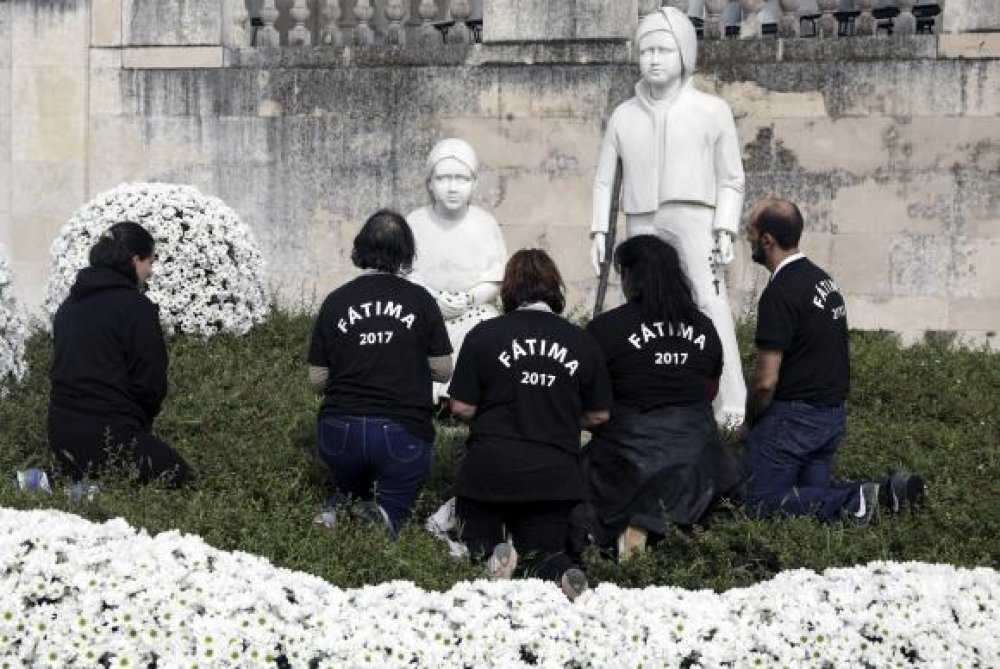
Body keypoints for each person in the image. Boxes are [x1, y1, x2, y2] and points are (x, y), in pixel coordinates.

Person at [589, 6, 747, 427]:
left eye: (663, 49)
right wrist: (599, 229)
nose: (654, 59)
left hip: (694, 216)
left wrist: (725, 226)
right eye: (646, 50)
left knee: (708, 301)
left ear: (684, 54)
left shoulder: (711, 110)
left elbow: (731, 177)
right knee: (637, 309)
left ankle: (732, 401)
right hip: (641, 219)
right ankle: (637, 390)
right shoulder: (624, 114)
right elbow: (605, 180)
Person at [742, 198, 923, 523]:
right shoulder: (823, 280)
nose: (747, 240)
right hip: (830, 417)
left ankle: (860, 497)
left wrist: (750, 420)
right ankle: (882, 494)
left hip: (793, 420)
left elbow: (766, 381)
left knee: (758, 503)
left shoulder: (779, 294)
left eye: (750, 232)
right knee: (814, 509)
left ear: (767, 240)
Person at [448, 249, 612, 600]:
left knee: (473, 544)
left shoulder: (484, 335)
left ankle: (493, 555)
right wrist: (560, 417)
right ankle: (563, 571)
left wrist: (496, 413)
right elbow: (600, 415)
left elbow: (460, 407)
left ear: (509, 290)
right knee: (544, 552)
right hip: (553, 471)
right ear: (555, 288)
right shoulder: (582, 342)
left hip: (490, 466)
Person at [582, 235, 743, 559]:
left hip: (626, 452)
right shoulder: (704, 327)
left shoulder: (606, 329)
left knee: (577, 479)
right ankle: (669, 534)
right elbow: (710, 390)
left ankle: (629, 532)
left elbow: (591, 398)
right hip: (697, 458)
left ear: (629, 275)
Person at [307, 210, 452, 534]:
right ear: (406, 252)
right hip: (401, 430)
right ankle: (382, 521)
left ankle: (336, 510)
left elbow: (316, 380)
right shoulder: (420, 300)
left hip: (339, 431)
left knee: (349, 485)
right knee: (392, 513)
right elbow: (443, 371)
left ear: (361, 247)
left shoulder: (336, 301)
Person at [49, 221, 191, 486]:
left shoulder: (67, 307)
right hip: (110, 436)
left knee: (100, 468)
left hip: (60, 434)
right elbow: (150, 383)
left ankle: (67, 478)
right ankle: (71, 482)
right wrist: (139, 425)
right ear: (136, 260)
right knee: (179, 477)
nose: (150, 271)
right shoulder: (136, 308)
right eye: (151, 262)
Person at [407, 138, 507, 402]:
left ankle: (467, 399)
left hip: (472, 312)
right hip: (425, 311)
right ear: (430, 183)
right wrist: (432, 299)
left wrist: (468, 299)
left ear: (474, 183)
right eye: (443, 178)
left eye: (461, 179)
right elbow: (406, 275)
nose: (453, 188)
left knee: (488, 325)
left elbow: (495, 279)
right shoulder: (414, 223)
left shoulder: (486, 224)